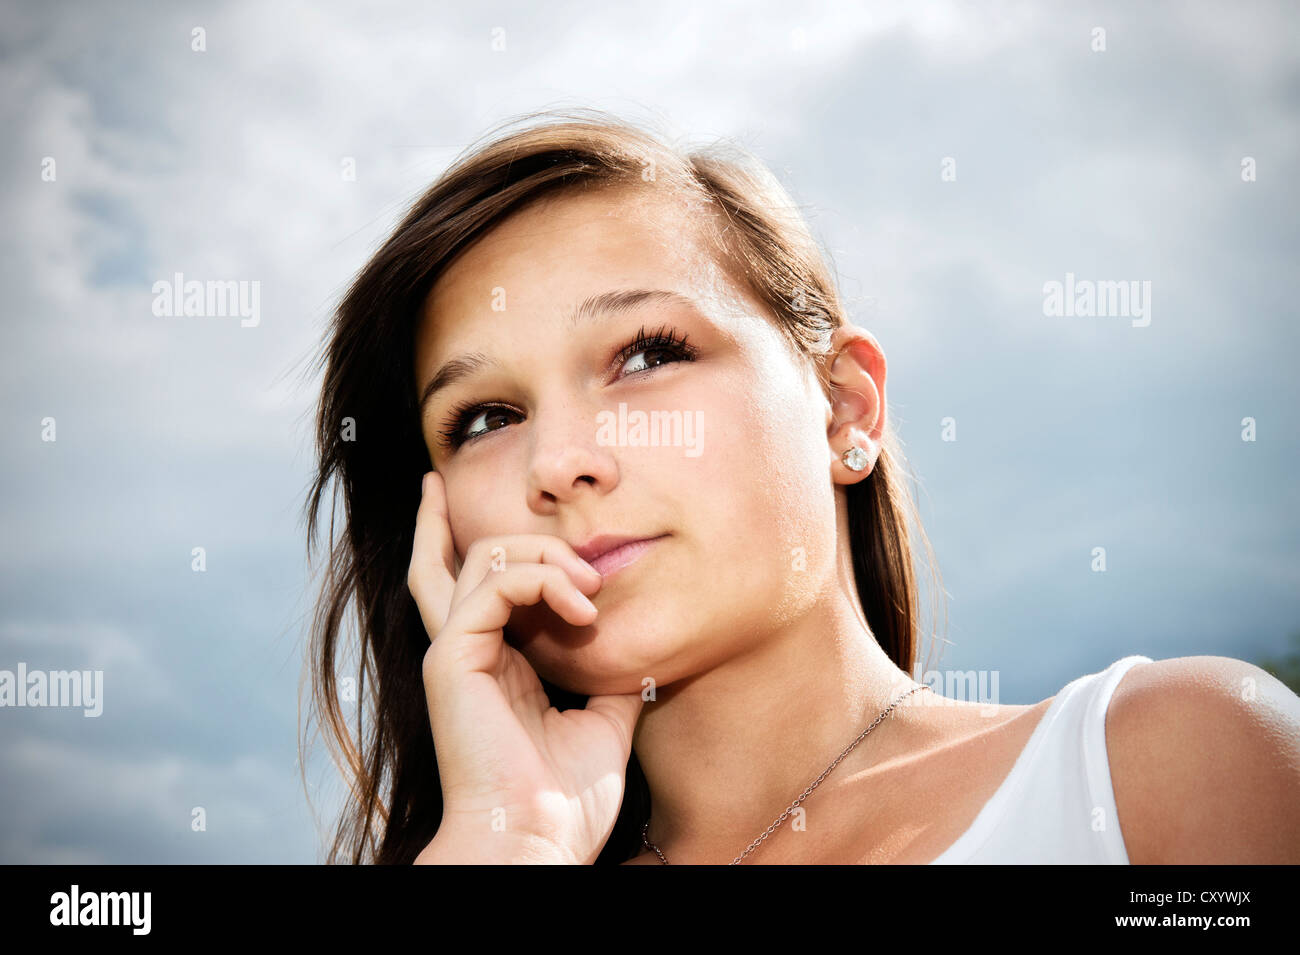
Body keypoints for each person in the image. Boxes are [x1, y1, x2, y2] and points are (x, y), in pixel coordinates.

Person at [302, 108, 1300, 865]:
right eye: (486, 417)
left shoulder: (1159, 771)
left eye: (646, 355)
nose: (559, 461)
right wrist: (504, 835)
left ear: (844, 410)